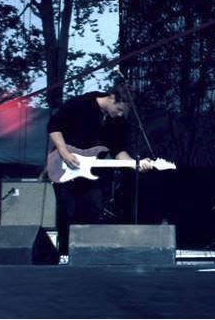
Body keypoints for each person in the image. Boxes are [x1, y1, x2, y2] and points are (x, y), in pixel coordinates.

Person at [47, 91, 153, 255]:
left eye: (123, 112)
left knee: (93, 209)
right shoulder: (80, 103)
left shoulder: (117, 122)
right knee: (67, 211)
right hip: (64, 166)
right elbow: (54, 126)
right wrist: (64, 152)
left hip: (91, 171)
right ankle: (65, 254)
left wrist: (135, 164)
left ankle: (86, 254)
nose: (120, 114)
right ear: (112, 97)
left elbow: (118, 151)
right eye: (119, 109)